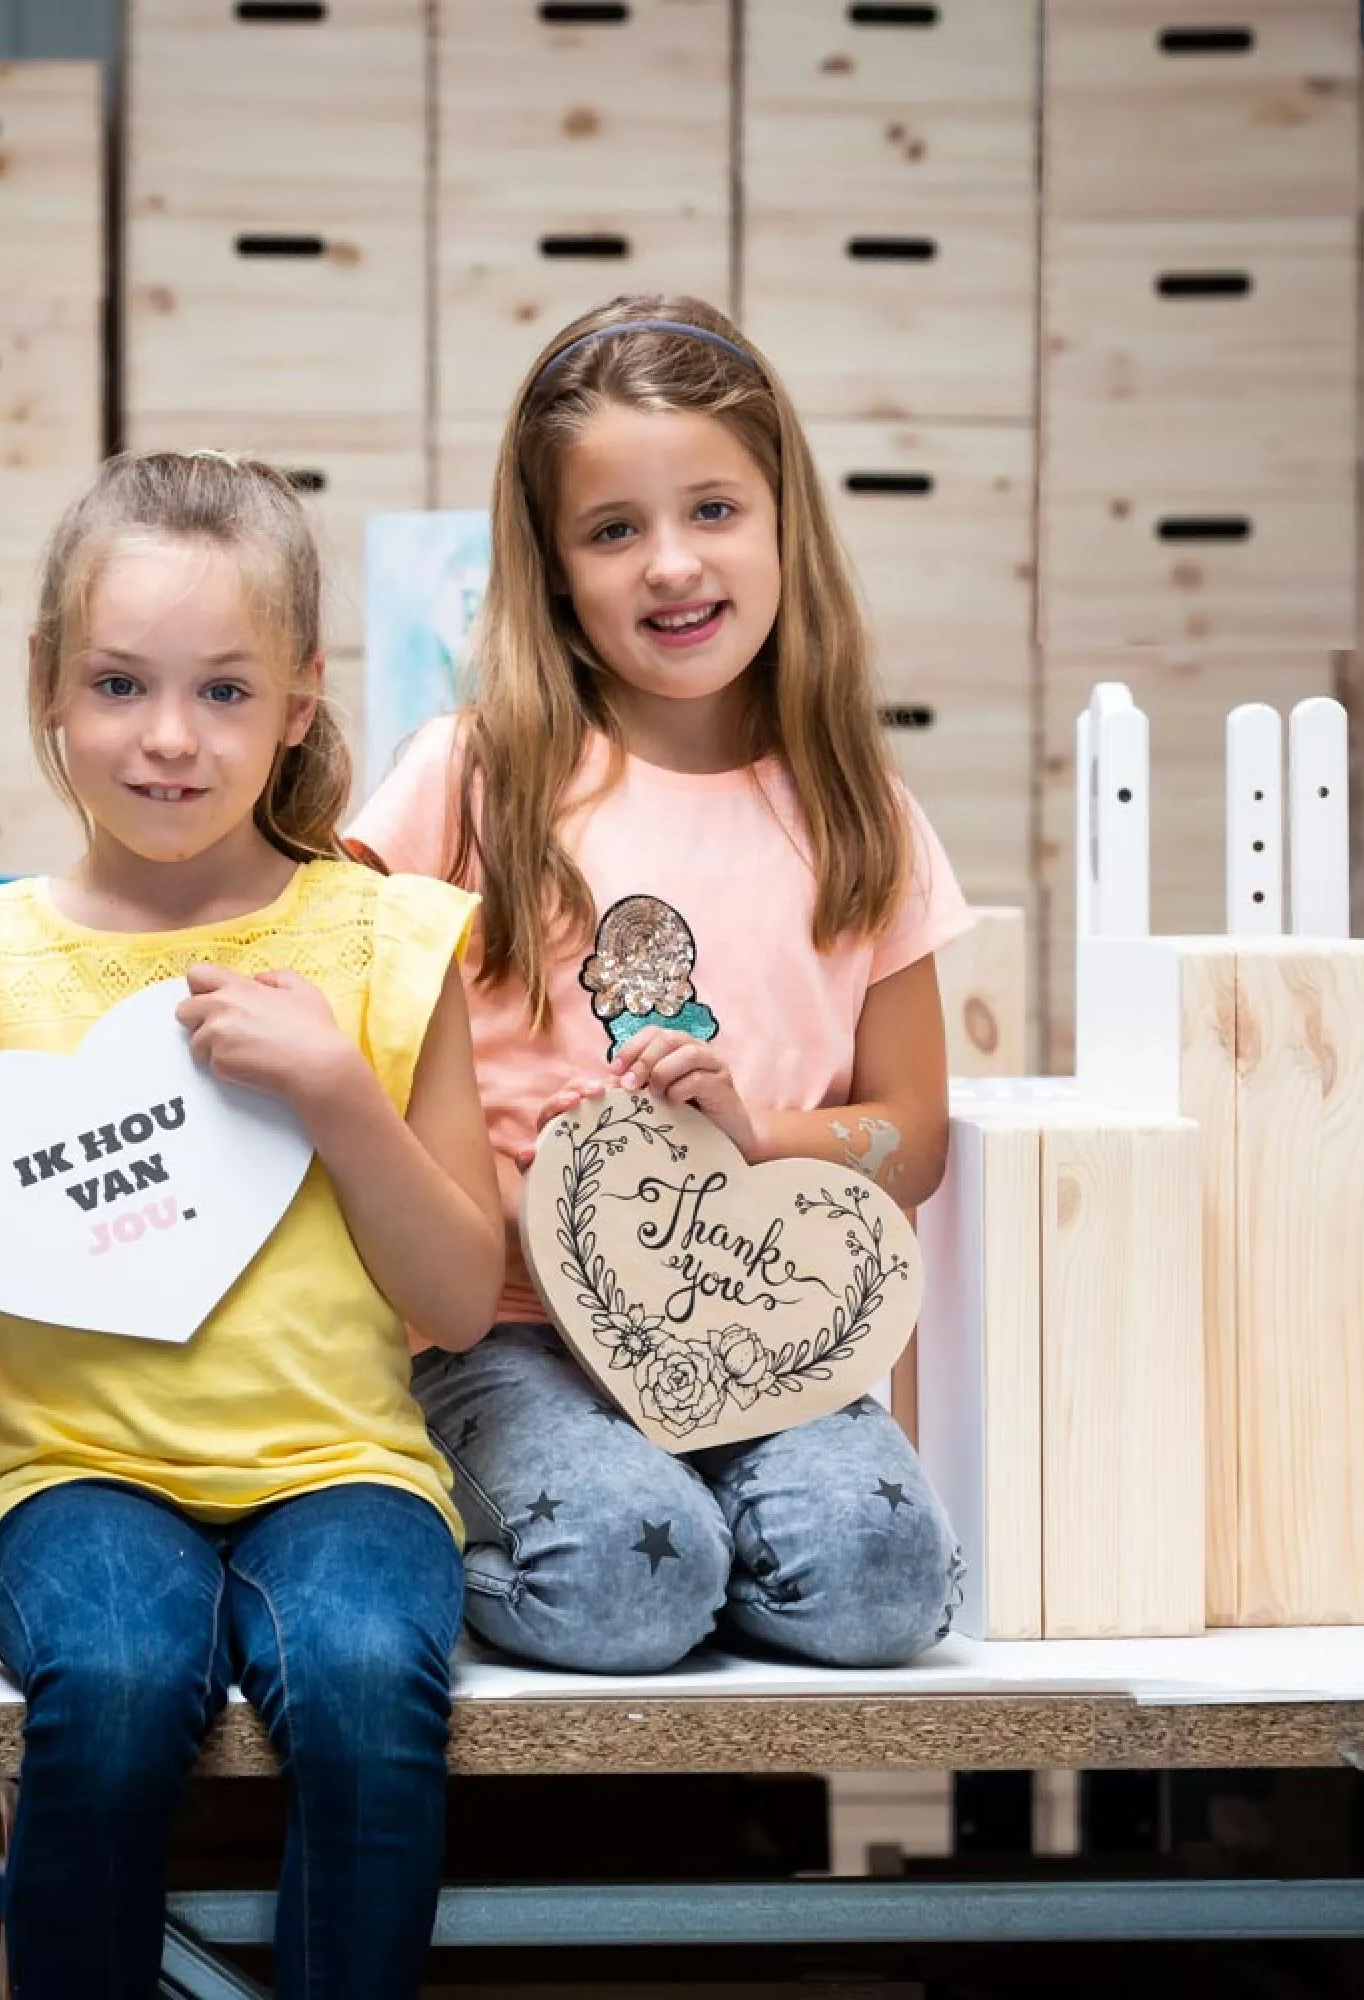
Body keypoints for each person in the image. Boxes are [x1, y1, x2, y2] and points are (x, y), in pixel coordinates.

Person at [0, 451, 503, 2000]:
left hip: (343, 1470)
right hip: (77, 1474)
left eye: (224, 692)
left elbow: (459, 1298)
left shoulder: (392, 944)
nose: (170, 740)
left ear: (301, 703)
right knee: (119, 1681)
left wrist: (340, 1095)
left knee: (362, 1682)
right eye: (121, 684)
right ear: (49, 685)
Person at [346, 295, 971, 1676]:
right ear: (554, 567)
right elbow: (334, 1033)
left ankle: (697, 1537)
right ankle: (479, 1535)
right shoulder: (473, 775)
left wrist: (763, 1139)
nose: (671, 565)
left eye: (713, 510)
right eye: (613, 530)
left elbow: (911, 1134)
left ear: (784, 522)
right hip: (508, 1334)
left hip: (763, 1320)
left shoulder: (862, 810)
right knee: (627, 1585)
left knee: (877, 1583)